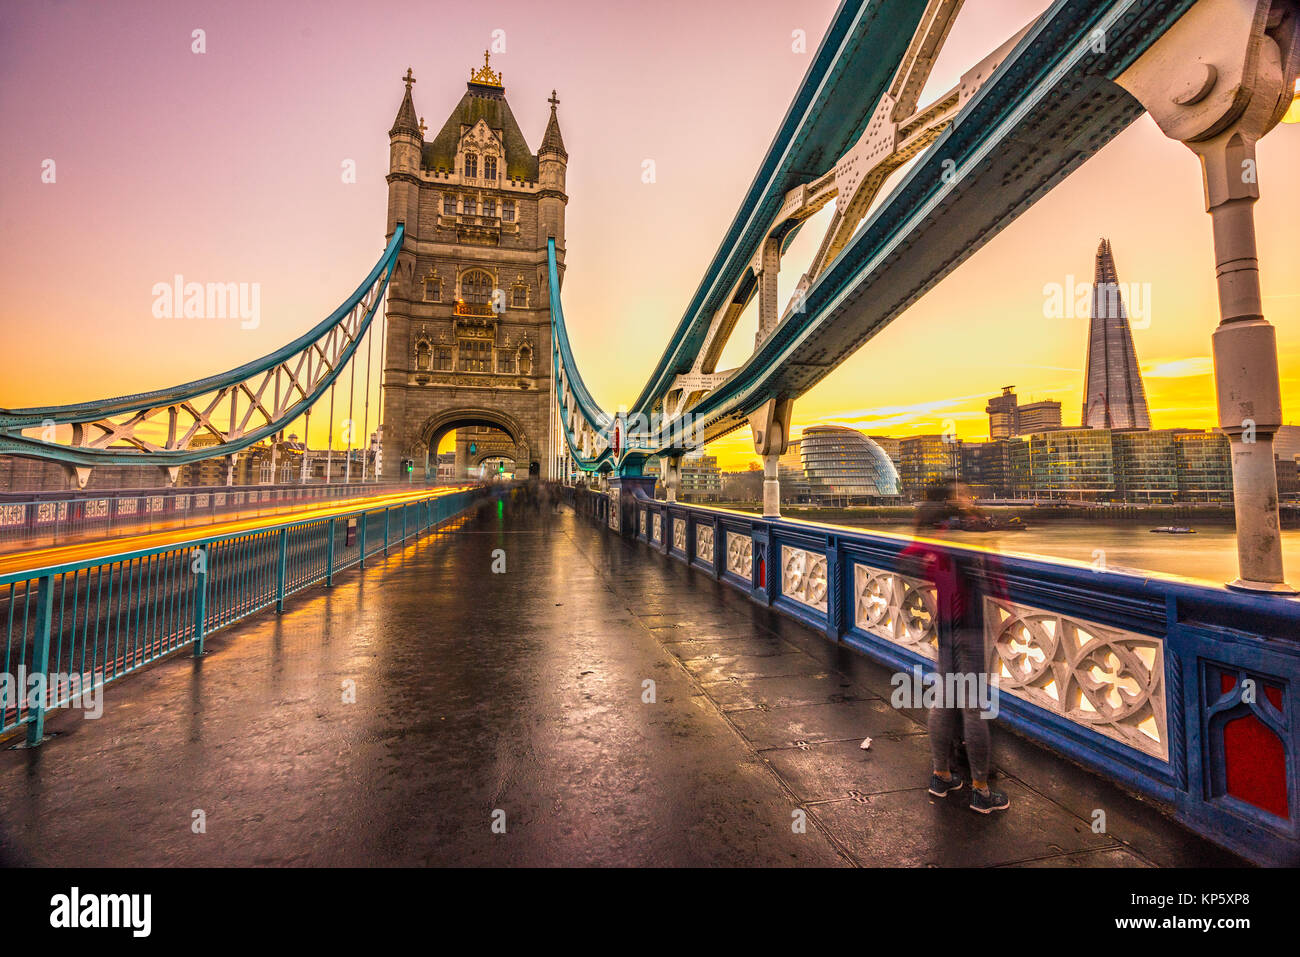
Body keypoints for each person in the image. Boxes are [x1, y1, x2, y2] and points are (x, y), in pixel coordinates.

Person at [899, 481, 1010, 814]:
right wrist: (1007, 605)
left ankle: (941, 774)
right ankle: (980, 790)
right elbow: (995, 573)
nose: (967, 497)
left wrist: (934, 602)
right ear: (952, 500)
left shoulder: (941, 533)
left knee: (944, 701)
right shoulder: (970, 531)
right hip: (972, 626)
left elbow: (906, 560)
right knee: (974, 708)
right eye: (961, 493)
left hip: (946, 626)